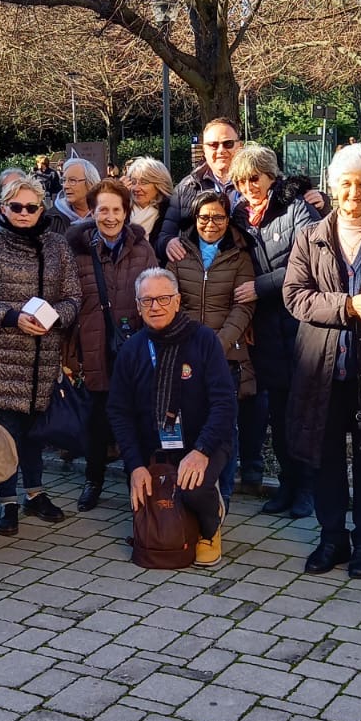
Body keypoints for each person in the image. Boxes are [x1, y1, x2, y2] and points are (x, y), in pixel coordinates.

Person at [283, 144, 361, 578]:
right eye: (345, 184)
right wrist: (350, 305)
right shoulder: (310, 236)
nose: (353, 192)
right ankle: (332, 536)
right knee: (326, 456)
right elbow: (295, 297)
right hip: (323, 368)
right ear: (332, 187)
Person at [0, 174, 81, 533]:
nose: (24, 212)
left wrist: (55, 317)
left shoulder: (57, 246)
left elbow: (74, 295)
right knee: (4, 432)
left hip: (41, 356)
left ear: (41, 208)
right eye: (16, 206)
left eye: (31, 207)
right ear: (3, 207)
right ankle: (7, 500)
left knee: (35, 431)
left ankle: (35, 492)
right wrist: (13, 317)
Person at [108, 268, 236, 566]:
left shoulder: (204, 340)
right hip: (154, 449)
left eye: (164, 298)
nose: (156, 307)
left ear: (178, 301)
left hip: (203, 442)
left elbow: (224, 404)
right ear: (138, 306)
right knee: (154, 514)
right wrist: (136, 466)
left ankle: (210, 523)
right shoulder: (132, 349)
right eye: (147, 300)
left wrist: (201, 451)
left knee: (193, 489)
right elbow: (119, 412)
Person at [230, 143, 319, 517]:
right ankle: (286, 484)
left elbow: (310, 262)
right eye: (242, 180)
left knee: (304, 413)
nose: (249, 186)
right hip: (266, 328)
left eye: (255, 178)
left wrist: (261, 286)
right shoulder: (238, 216)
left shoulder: (297, 208)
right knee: (278, 415)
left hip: (300, 324)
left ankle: (308, 490)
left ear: (271, 176)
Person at [67, 179, 157, 510]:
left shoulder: (142, 249)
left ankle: (144, 479)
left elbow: (152, 294)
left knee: (139, 414)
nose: (110, 216)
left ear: (126, 212)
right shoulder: (77, 250)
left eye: (116, 209)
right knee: (96, 419)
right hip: (93, 342)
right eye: (102, 209)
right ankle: (94, 480)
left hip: (134, 344)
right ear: (92, 212)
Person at [169, 189, 256, 511]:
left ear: (227, 218)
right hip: (184, 351)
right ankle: (188, 492)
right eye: (204, 217)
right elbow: (171, 300)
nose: (210, 223)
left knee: (223, 428)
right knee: (188, 423)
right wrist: (190, 342)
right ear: (195, 218)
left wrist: (215, 343)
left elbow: (244, 305)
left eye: (218, 217)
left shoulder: (240, 254)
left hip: (226, 353)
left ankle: (223, 498)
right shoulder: (180, 251)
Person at [158, 118, 241, 260]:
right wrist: (168, 243)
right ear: (204, 149)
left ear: (239, 146)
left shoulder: (254, 185)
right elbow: (164, 236)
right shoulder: (186, 188)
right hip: (200, 274)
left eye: (228, 144)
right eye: (213, 145)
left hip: (245, 273)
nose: (221, 150)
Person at [124, 157, 174, 246]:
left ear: (159, 185)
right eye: (133, 182)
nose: (136, 188)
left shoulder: (170, 212)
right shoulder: (121, 208)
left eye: (143, 183)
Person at [54, 156, 101, 226]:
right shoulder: (52, 219)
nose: (65, 186)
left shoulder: (106, 214)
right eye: (64, 180)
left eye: (72, 180)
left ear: (90, 183)